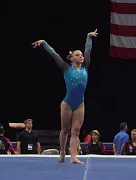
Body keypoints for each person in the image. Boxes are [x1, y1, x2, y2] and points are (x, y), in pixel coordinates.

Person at [31, 29, 98, 164]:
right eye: (77, 55)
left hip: (80, 103)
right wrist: (44, 43)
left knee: (76, 130)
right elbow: (54, 54)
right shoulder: (66, 68)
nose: (81, 56)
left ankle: (73, 157)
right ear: (71, 58)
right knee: (65, 129)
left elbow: (88, 51)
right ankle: (62, 151)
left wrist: (89, 37)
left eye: (81, 55)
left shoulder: (85, 67)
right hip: (67, 103)